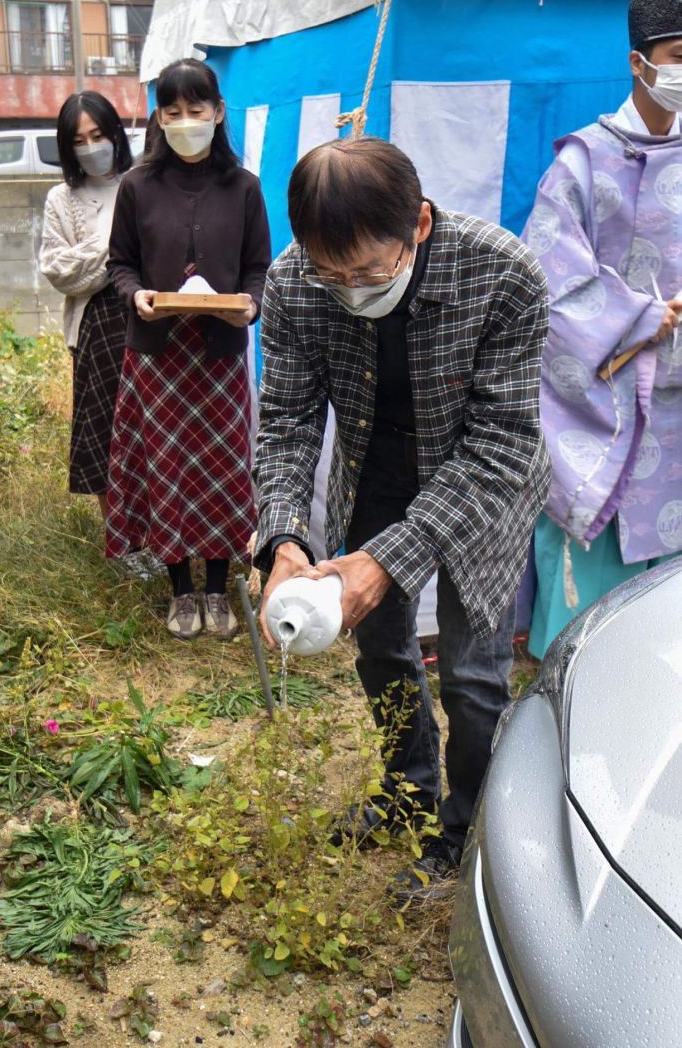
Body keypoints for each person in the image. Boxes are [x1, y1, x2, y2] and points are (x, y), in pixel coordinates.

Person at [254, 136, 550, 900]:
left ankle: (470, 835)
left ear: (417, 224)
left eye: (369, 272)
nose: (349, 289)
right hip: (375, 473)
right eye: (332, 273)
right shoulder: (293, 286)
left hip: (482, 487)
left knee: (472, 671)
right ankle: (405, 790)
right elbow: (286, 421)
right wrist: (283, 537)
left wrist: (387, 558)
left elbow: (501, 441)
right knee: (380, 650)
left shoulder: (501, 271)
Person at [523, 0, 682, 660]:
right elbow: (548, 290)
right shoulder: (582, 165)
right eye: (680, 57)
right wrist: (644, 318)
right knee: (597, 636)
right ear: (638, 62)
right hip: (612, 411)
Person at [106, 59, 271, 641]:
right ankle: (180, 592)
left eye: (195, 110)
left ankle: (219, 589)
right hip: (156, 356)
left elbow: (258, 269)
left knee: (224, 469)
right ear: (159, 118)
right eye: (171, 112)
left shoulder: (245, 188)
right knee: (167, 467)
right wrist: (138, 296)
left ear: (218, 112)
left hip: (220, 353)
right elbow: (119, 264)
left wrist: (249, 303)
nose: (184, 121)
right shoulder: (137, 186)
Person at [39, 91, 133, 516]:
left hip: (152, 317)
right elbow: (59, 270)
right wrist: (119, 246)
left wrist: (103, 256)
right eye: (79, 141)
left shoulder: (143, 181)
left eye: (98, 134)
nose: (92, 147)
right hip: (97, 327)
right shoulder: (62, 199)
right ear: (67, 147)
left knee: (152, 433)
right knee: (105, 435)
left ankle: (159, 534)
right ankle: (121, 537)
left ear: (116, 132)